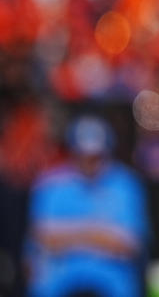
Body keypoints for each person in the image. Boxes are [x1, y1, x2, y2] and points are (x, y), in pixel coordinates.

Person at [24, 114, 150, 297]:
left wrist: (69, 235)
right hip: (60, 277)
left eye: (96, 156)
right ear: (73, 153)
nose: (90, 163)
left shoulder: (126, 184)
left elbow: (129, 244)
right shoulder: (51, 183)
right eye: (83, 156)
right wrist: (99, 233)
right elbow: (43, 237)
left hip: (111, 279)